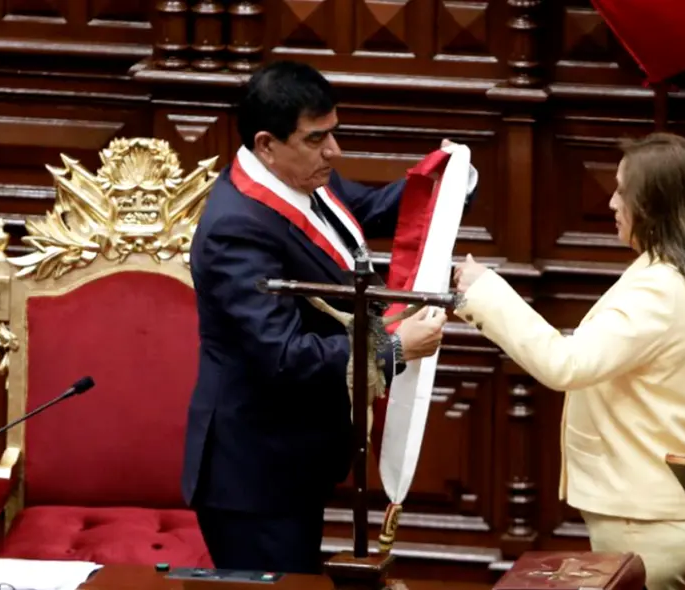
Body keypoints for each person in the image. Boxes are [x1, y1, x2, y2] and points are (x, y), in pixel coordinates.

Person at [181, 60, 475, 574]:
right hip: (253, 477)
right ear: (267, 144)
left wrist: (449, 186)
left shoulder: (304, 178)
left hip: (293, 462)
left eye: (334, 134)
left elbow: (376, 210)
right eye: (318, 139)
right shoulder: (236, 229)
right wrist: (394, 347)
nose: (333, 152)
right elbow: (283, 354)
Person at [453, 132, 685, 590]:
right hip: (651, 509)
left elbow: (567, 364)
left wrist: (485, 292)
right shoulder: (684, 272)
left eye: (623, 190)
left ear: (654, 204)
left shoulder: (659, 289)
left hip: (646, 521)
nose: (611, 202)